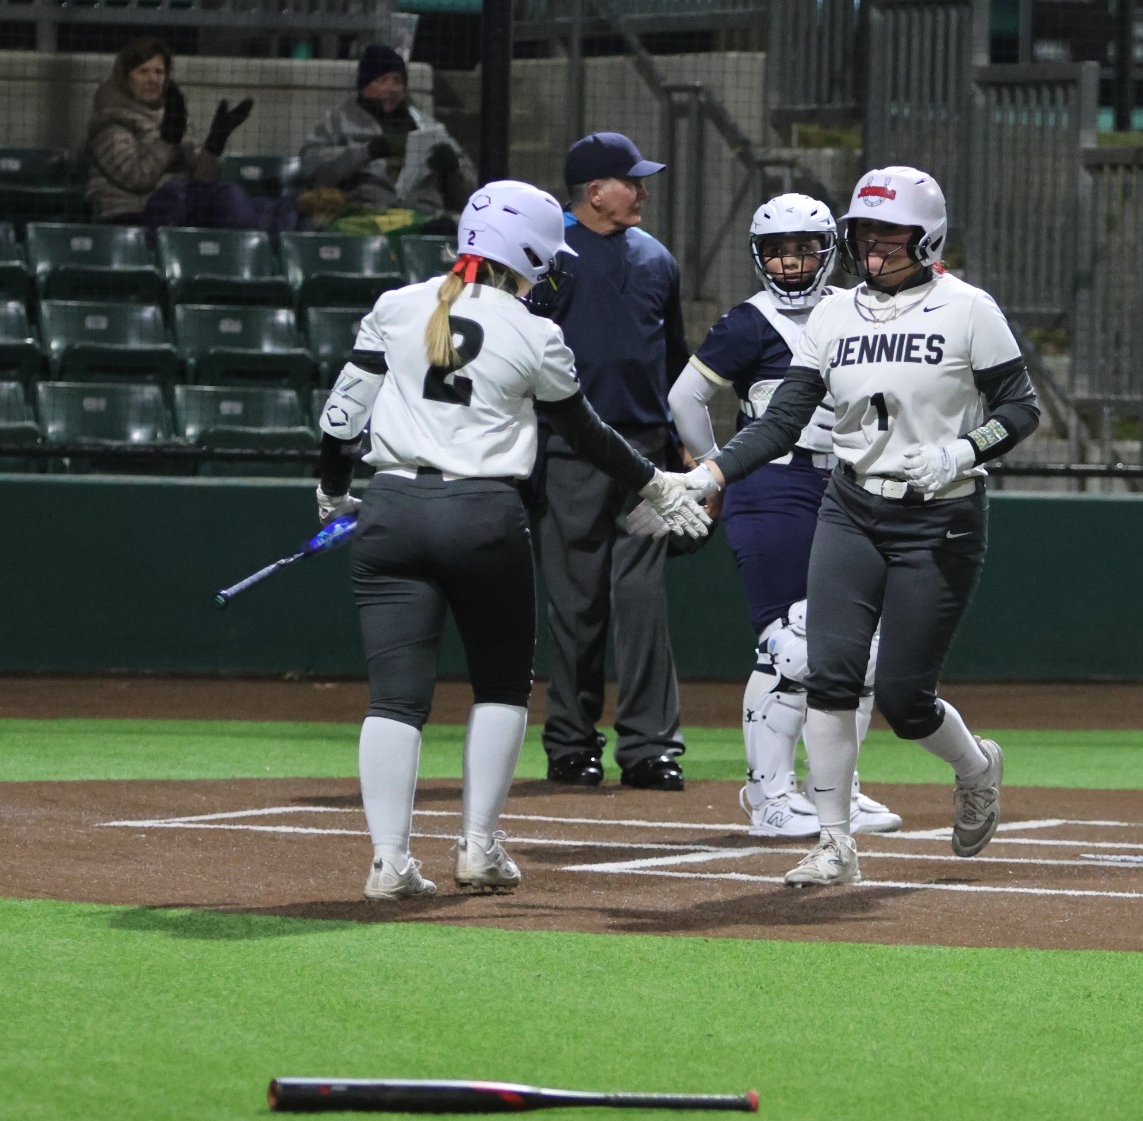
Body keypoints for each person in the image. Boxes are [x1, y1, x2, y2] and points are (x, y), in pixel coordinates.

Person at [313, 180, 710, 901]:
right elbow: (586, 433)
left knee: (394, 700)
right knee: (499, 685)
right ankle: (478, 846)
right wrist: (654, 483)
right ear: (525, 249)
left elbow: (341, 420)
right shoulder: (536, 332)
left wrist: (334, 489)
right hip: (483, 516)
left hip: (392, 507)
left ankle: (388, 860)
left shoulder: (397, 306)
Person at [671, 166, 1041, 886]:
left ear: (927, 235)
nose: (873, 248)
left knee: (904, 697)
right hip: (850, 508)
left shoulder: (969, 308)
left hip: (940, 517)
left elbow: (1021, 408)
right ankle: (835, 843)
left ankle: (976, 767)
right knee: (831, 672)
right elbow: (781, 420)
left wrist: (964, 450)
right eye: (863, 234)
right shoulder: (835, 316)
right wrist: (711, 471)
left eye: (890, 234)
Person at [665, 193, 901, 839]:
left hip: (848, 483)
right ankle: (769, 795)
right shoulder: (748, 322)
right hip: (773, 483)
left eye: (803, 248)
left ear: (829, 250)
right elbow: (685, 399)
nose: (790, 262)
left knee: (857, 645)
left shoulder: (860, 309)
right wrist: (720, 465)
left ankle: (838, 790)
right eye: (776, 249)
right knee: (790, 644)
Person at [530, 131, 693, 792]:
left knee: (642, 599)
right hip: (569, 450)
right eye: (632, 180)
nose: (644, 191)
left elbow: (677, 361)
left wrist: (687, 442)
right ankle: (572, 743)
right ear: (594, 191)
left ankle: (650, 746)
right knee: (575, 604)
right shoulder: (550, 256)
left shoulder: (658, 259)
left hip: (647, 453)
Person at [84, 38, 259, 227]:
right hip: (132, 215)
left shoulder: (172, 115)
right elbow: (137, 178)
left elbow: (204, 180)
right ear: (126, 78)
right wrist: (168, 140)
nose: (153, 79)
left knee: (230, 197)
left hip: (179, 208)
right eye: (143, 71)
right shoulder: (110, 124)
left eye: (159, 72)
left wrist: (215, 142)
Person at [297, 44, 475, 224]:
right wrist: (367, 151)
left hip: (424, 219)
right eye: (383, 81)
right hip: (366, 218)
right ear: (365, 86)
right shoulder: (338, 122)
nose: (392, 88)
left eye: (397, 81)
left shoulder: (427, 127)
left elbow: (470, 189)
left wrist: (453, 169)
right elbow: (312, 168)